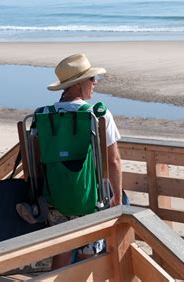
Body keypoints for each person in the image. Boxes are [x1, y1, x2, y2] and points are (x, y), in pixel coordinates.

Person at [46, 53, 123, 268]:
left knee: (61, 252)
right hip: (91, 198)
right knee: (88, 257)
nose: (95, 83)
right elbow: (114, 160)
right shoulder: (98, 114)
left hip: (56, 197)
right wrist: (116, 197)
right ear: (79, 84)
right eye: (91, 79)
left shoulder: (45, 116)